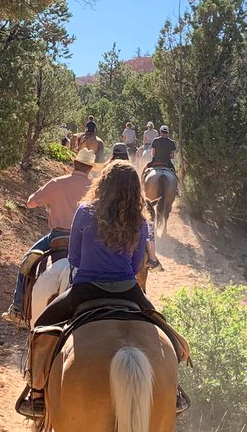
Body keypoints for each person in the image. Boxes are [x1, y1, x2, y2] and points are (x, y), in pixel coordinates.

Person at [16, 161, 155, 417]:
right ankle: (175, 390)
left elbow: (75, 258)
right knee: (164, 329)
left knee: (42, 328)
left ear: (103, 183)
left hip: (86, 289)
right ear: (136, 189)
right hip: (127, 289)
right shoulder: (141, 221)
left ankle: (36, 394)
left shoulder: (85, 211)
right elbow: (137, 264)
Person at [1, 148, 96, 327]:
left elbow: (30, 202)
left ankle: (18, 308)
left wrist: (48, 202)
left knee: (27, 261)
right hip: (86, 239)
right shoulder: (94, 188)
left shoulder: (57, 183)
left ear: (74, 164)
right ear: (90, 168)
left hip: (57, 236)